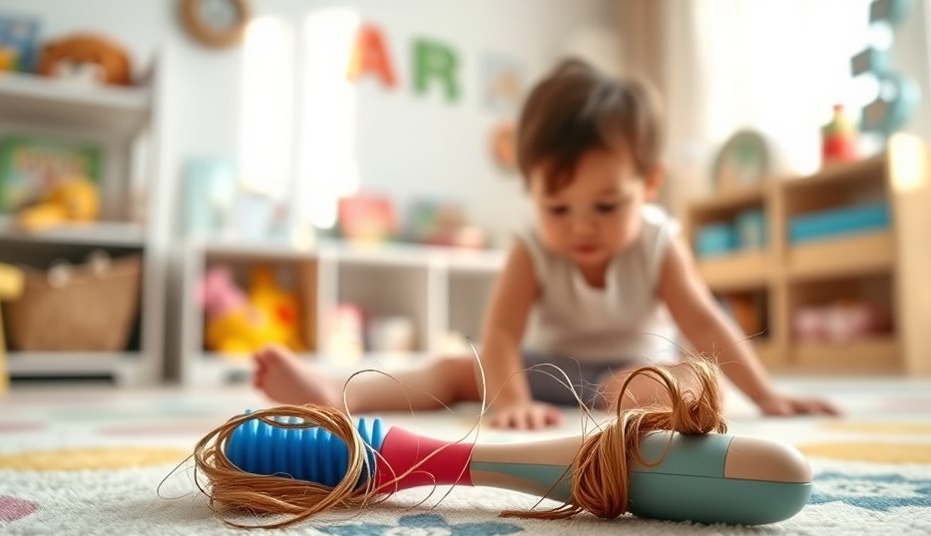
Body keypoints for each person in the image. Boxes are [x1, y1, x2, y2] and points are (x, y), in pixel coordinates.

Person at [254, 58, 840, 429]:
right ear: (531, 192)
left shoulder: (660, 242)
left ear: (650, 184)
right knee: (462, 368)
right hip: (547, 372)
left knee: (686, 380)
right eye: (557, 208)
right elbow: (502, 334)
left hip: (635, 369)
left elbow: (706, 323)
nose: (581, 226)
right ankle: (338, 391)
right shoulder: (532, 246)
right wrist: (509, 401)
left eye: (607, 207)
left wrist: (769, 396)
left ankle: (654, 419)